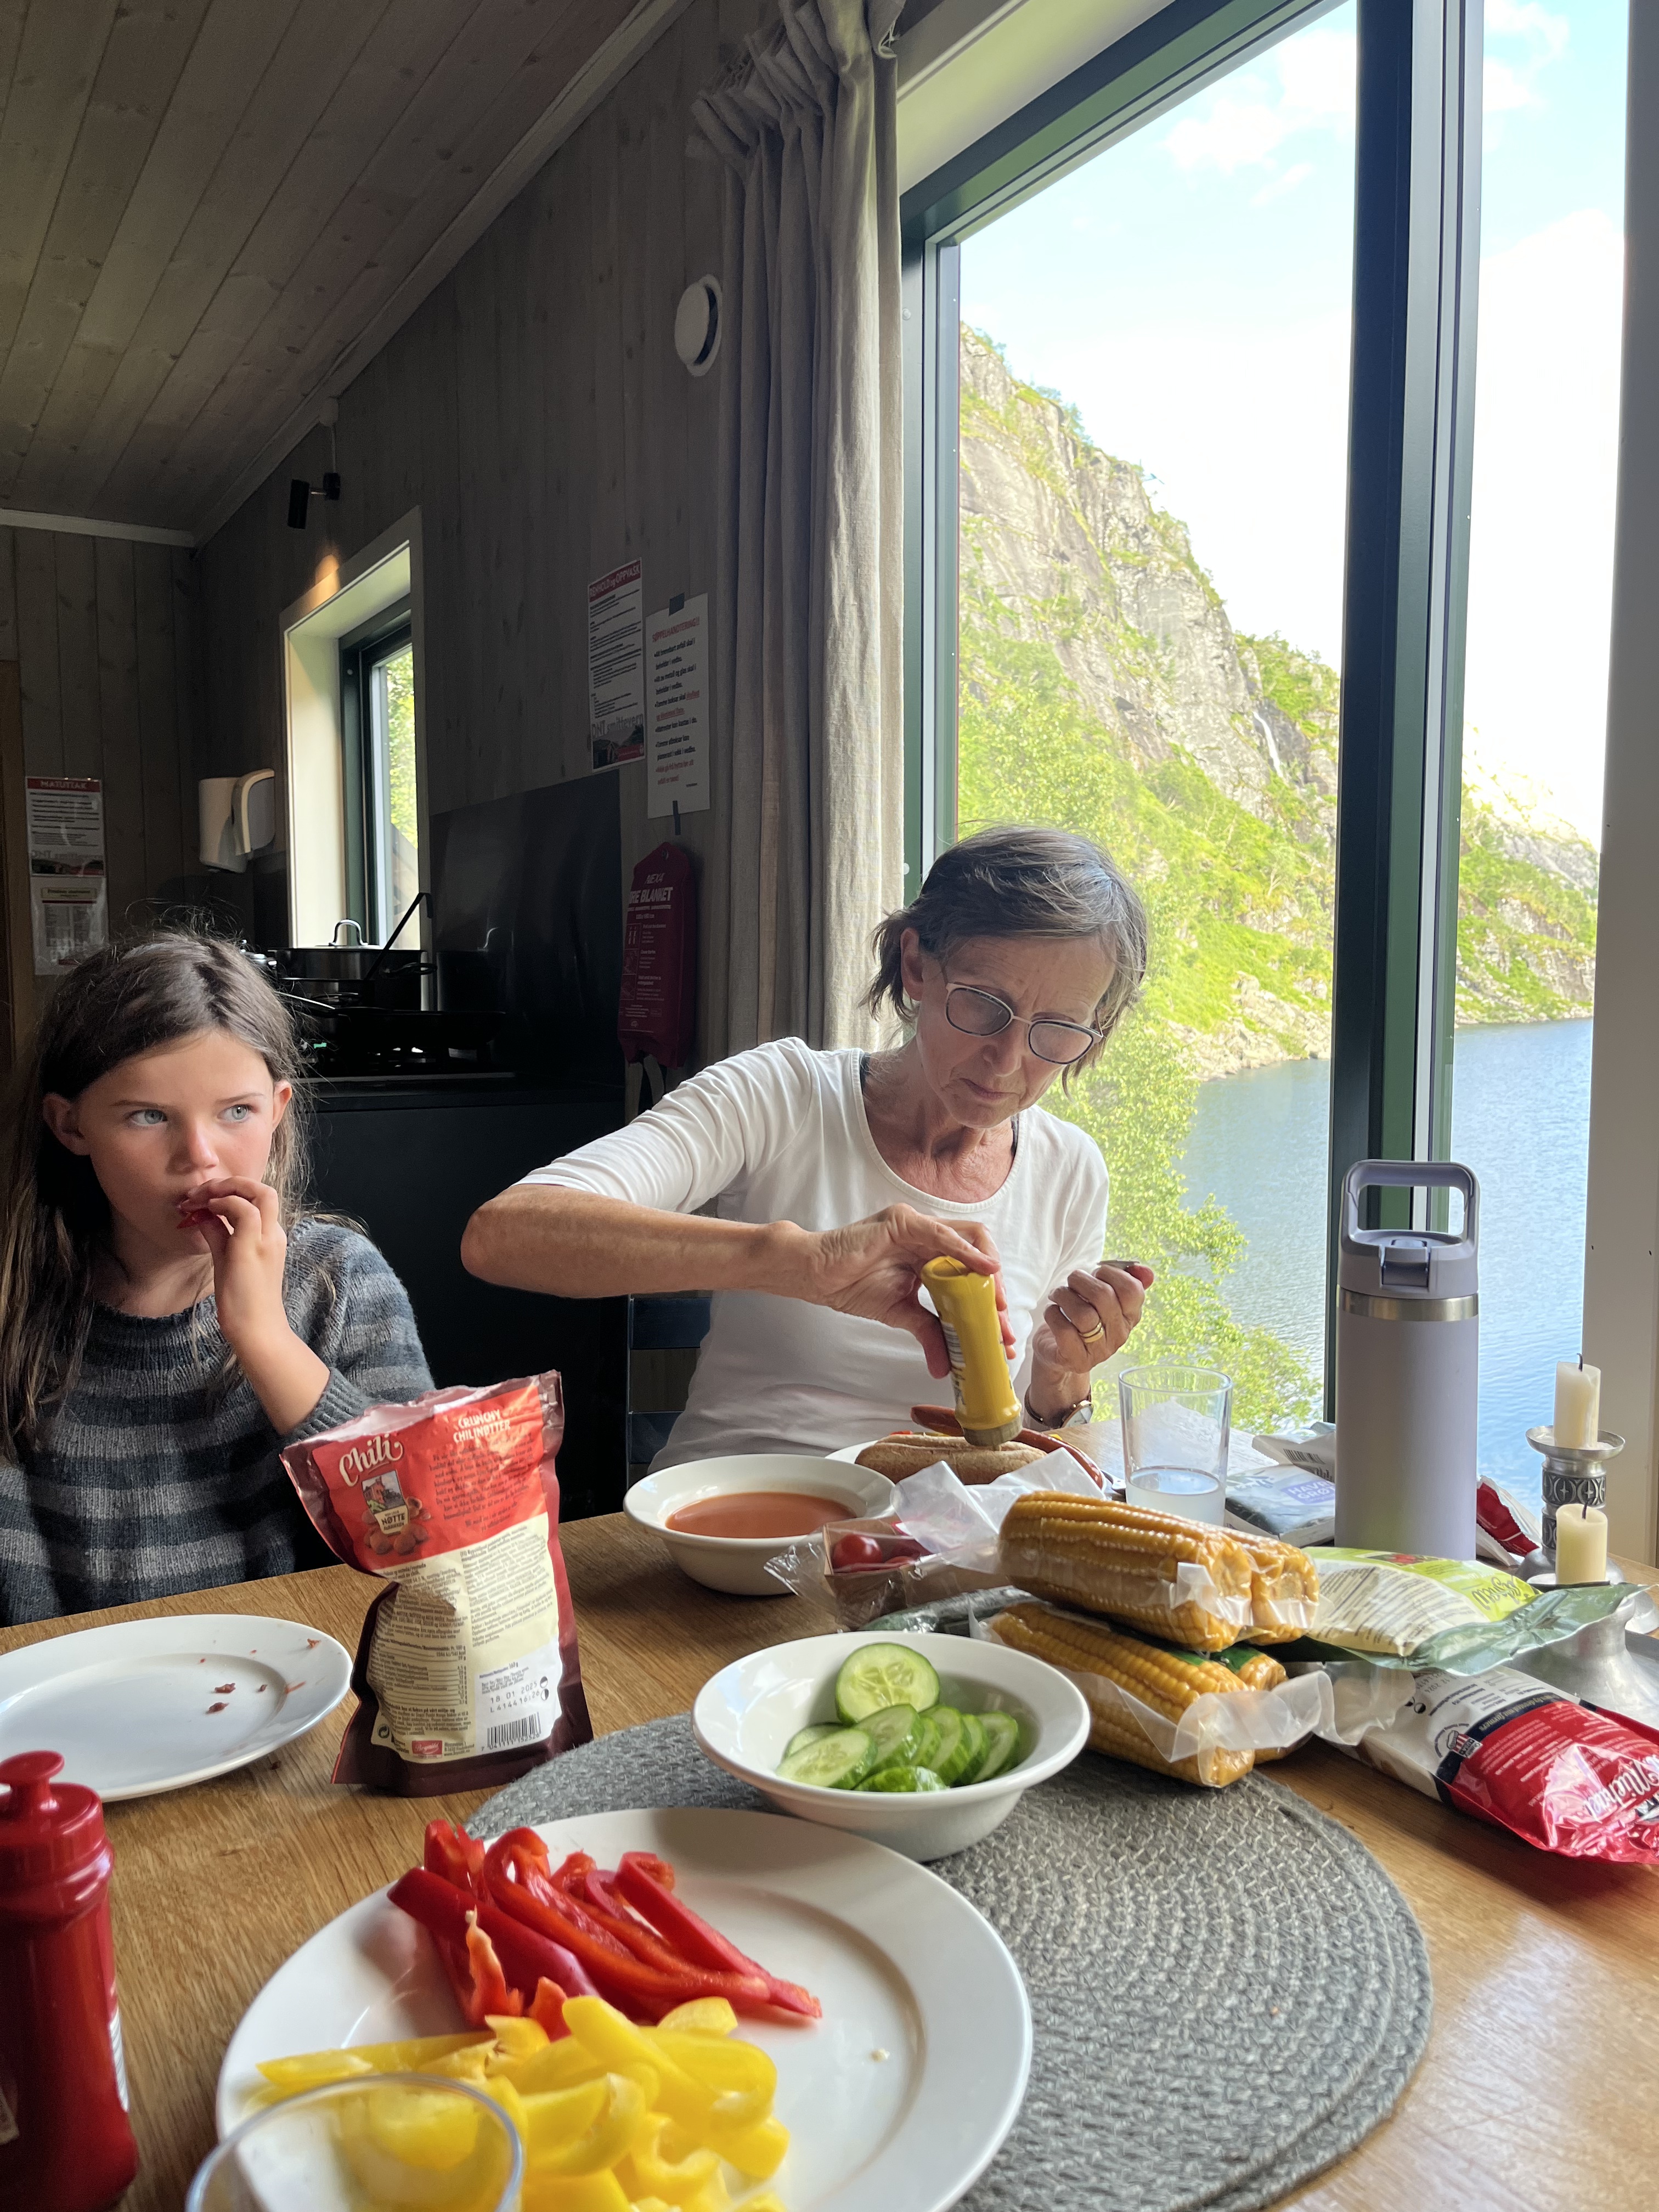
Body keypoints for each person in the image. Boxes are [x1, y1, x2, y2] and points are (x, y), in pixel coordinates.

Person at [462, 825, 1154, 1464]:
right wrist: (799, 1261)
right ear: (916, 964)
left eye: (1059, 1028)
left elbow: (1024, 1439)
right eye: (983, 1003)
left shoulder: (1070, 1170)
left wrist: (1061, 1379)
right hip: (740, 1522)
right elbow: (503, 1235)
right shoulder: (782, 1095)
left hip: (934, 1535)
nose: (1007, 1061)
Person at [0, 931, 433, 1626]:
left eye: (237, 1112)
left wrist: (264, 1337)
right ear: (69, 1124)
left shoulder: (340, 1283)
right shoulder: (15, 1294)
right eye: (148, 1116)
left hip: (294, 1676)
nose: (199, 1158)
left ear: (278, 1109)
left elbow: (422, 1539)